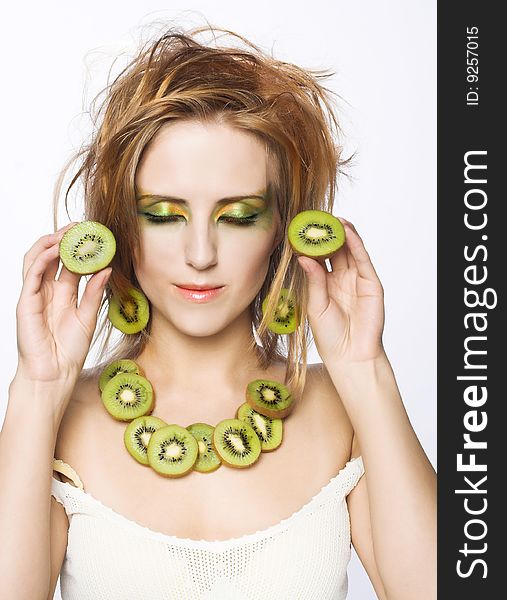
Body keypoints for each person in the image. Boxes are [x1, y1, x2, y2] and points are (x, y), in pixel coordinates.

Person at [0, 22, 436, 600]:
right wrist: (37, 388)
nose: (200, 255)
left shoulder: (344, 412)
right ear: (120, 226)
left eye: (236, 216)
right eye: (163, 213)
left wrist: (366, 370)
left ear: (282, 228)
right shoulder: (58, 421)